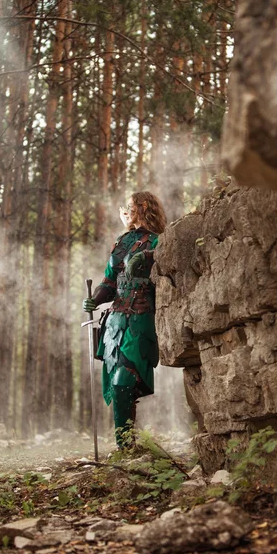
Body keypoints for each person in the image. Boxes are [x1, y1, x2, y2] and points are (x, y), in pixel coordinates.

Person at [83, 191, 167, 448]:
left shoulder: (160, 241)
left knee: (124, 382)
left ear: (143, 207)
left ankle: (126, 445)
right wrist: (95, 299)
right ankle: (125, 447)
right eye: (126, 207)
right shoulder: (122, 242)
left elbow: (170, 263)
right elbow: (109, 282)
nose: (126, 210)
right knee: (117, 385)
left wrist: (150, 256)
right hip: (116, 323)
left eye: (130, 206)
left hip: (141, 319)